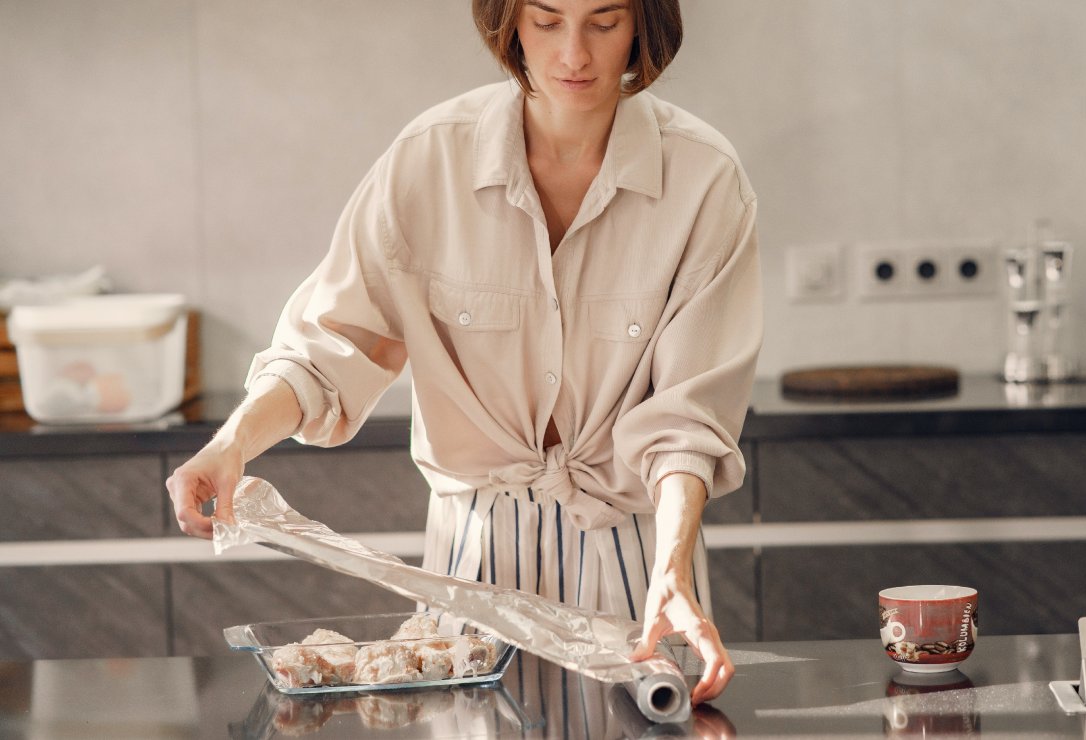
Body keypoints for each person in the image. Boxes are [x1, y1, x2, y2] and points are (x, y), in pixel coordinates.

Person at [167, 0, 760, 705]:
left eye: (603, 22)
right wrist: (232, 445)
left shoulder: (704, 179)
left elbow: (686, 422)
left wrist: (671, 566)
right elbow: (327, 348)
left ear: (642, 25)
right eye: (546, 20)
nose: (573, 54)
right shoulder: (430, 160)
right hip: (470, 563)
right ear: (508, 21)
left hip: (638, 557)